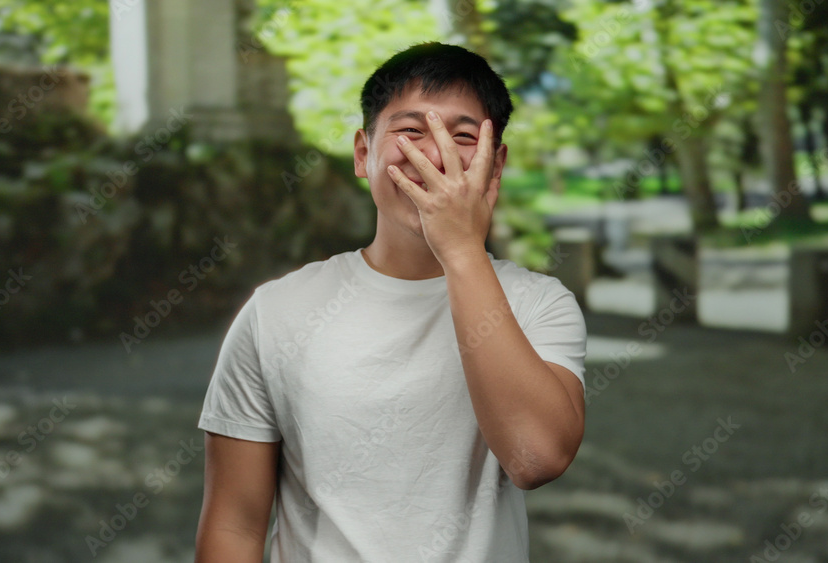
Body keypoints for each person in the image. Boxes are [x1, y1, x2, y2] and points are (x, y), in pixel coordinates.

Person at [194, 41, 586, 562]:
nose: (434, 152)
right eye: (411, 131)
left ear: (496, 165)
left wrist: (462, 250)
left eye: (463, 136)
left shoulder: (541, 303)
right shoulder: (276, 310)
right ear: (363, 153)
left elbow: (536, 458)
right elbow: (234, 527)